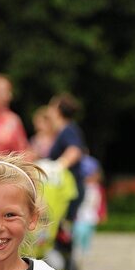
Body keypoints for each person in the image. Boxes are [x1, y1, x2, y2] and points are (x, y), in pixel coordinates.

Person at [47, 93, 87, 223]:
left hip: (69, 189)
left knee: (63, 233)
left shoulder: (68, 130)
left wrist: (57, 166)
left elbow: (74, 151)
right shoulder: (66, 130)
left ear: (58, 110)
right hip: (69, 188)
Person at [73, 156, 107, 257]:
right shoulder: (80, 187)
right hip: (80, 215)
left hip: (92, 216)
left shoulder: (98, 188)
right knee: (79, 231)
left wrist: (102, 213)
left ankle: (85, 249)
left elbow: (101, 202)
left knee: (88, 233)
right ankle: (77, 248)